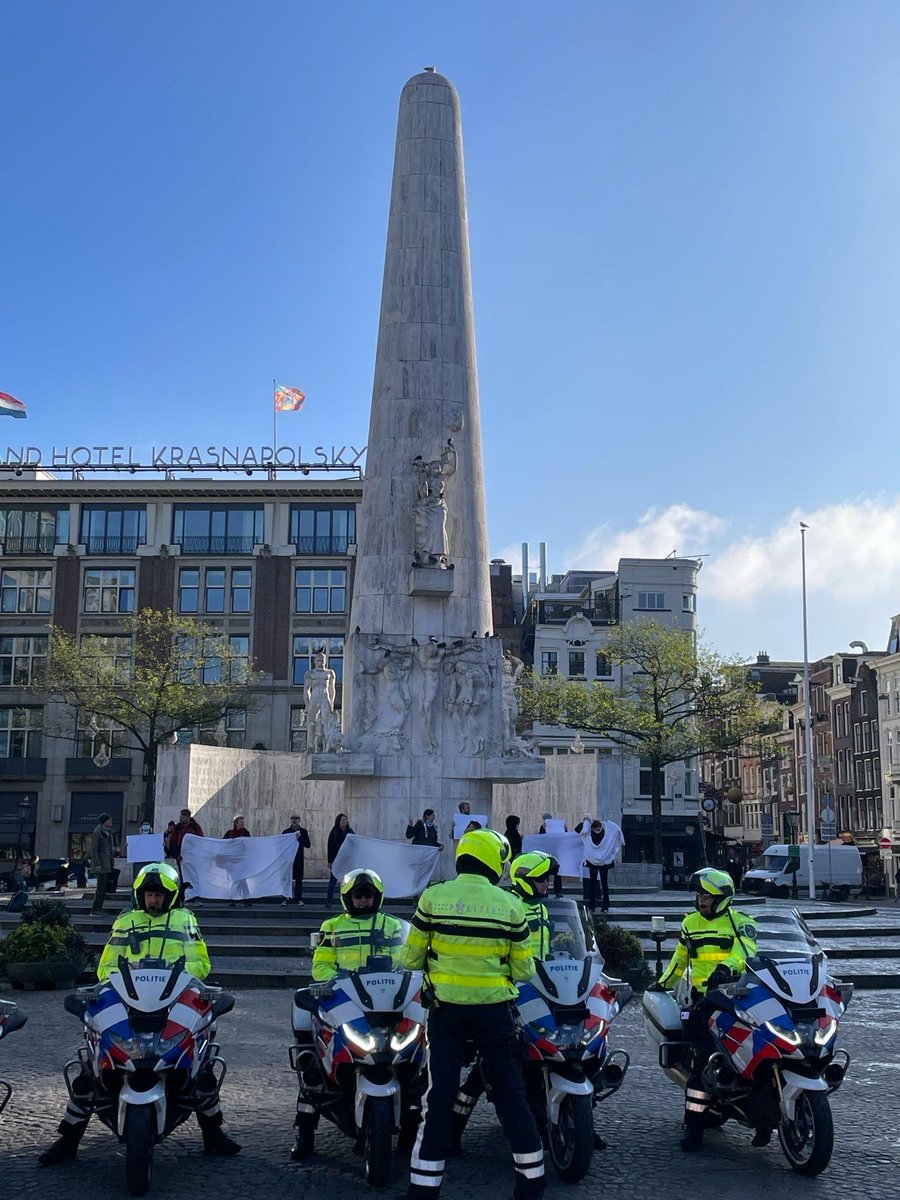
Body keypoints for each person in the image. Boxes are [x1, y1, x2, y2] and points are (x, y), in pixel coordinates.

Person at [38, 862, 240, 1165]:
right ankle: (68, 1140)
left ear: (170, 896)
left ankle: (212, 1134)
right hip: (128, 996)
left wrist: (178, 981)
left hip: (172, 995)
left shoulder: (184, 919)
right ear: (139, 895)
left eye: (159, 895)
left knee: (201, 1065)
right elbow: (106, 965)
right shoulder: (126, 921)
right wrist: (112, 985)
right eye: (148, 894)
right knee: (91, 1066)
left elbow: (199, 962)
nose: (153, 900)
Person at [403, 829, 546, 1200]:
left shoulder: (432, 898)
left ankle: (423, 1188)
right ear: (495, 862)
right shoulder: (511, 905)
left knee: (439, 1098)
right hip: (495, 1012)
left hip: (445, 1014)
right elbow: (524, 970)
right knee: (513, 1096)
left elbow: (409, 958)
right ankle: (531, 1186)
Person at [293, 869, 406, 1161]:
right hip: (345, 999)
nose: (363, 901)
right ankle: (304, 1134)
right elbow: (321, 964)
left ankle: (414, 1123)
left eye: (368, 895)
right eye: (358, 895)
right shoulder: (331, 926)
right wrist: (333, 980)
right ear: (348, 897)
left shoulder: (393, 925)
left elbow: (406, 960)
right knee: (311, 1066)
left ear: (377, 897)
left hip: (385, 1000)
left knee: (420, 1051)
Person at [449, 850, 557, 1153]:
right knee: (488, 1066)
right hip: (510, 994)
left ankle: (574, 1121)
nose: (546, 884)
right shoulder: (511, 907)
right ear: (524, 881)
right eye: (540, 880)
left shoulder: (543, 909)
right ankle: (452, 1133)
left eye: (547, 879)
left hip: (541, 993)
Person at [650, 867, 758, 1152]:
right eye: (699, 895)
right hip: (703, 1001)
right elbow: (680, 958)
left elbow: (746, 952)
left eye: (707, 896)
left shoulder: (740, 922)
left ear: (722, 898)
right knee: (702, 1062)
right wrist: (661, 983)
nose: (701, 900)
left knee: (755, 1050)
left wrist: (727, 968)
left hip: (736, 997)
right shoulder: (690, 923)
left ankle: (761, 1116)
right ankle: (693, 1128)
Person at [577, 817, 625, 912]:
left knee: (604, 884)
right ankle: (592, 906)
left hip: (603, 863)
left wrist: (606, 823)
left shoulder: (606, 833)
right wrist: (586, 821)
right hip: (593, 862)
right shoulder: (589, 834)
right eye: (596, 830)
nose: (598, 831)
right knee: (592, 883)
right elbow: (578, 830)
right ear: (593, 829)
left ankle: (605, 906)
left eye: (599, 829)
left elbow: (615, 831)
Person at [325, 812, 353, 907]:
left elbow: (355, 844)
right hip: (336, 860)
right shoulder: (334, 832)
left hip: (346, 860)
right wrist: (330, 861)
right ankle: (329, 901)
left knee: (347, 881)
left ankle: (347, 902)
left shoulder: (350, 831)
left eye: (346, 820)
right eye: (343, 820)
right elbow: (330, 846)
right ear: (338, 821)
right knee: (333, 881)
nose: (345, 821)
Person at [282, 815, 311, 905]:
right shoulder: (286, 832)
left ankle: (298, 899)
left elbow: (308, 844)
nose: (294, 821)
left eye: (296, 819)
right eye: (293, 819)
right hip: (288, 859)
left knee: (298, 880)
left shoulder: (303, 831)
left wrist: (300, 838)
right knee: (287, 879)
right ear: (290, 821)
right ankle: (286, 898)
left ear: (299, 821)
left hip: (298, 859)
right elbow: (282, 845)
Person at [90, 813, 115, 914]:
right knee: (101, 888)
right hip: (101, 865)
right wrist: (97, 863)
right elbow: (93, 849)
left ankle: (98, 908)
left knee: (104, 888)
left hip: (107, 864)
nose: (111, 822)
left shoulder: (108, 832)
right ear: (105, 821)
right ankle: (96, 909)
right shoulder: (98, 832)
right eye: (109, 820)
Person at [538, 812, 564, 897]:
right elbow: (541, 838)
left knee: (555, 873)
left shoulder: (556, 826)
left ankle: (556, 891)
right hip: (549, 853)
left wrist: (564, 829)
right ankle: (553, 891)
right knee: (548, 873)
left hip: (553, 853)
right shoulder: (543, 827)